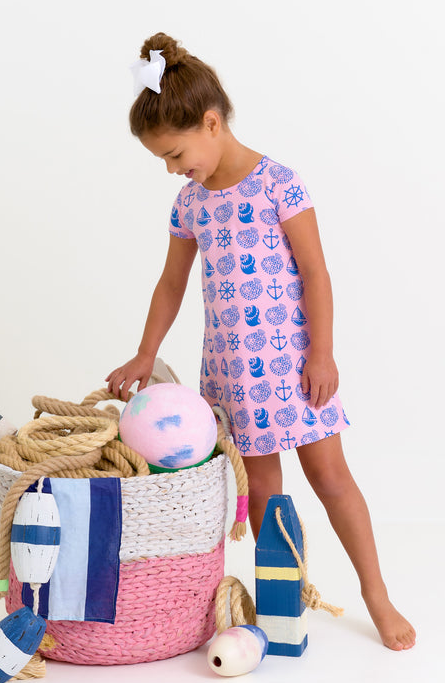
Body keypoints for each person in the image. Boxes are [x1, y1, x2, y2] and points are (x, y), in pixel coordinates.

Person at [106, 32, 416, 651]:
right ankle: (282, 602)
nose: (172, 169)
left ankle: (376, 594)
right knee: (266, 497)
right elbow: (171, 283)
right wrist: (146, 352)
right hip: (232, 374)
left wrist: (321, 353)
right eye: (162, 160)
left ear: (211, 122)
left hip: (295, 367)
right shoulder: (190, 204)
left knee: (330, 477)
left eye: (175, 153)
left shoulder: (279, 184)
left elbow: (315, 273)